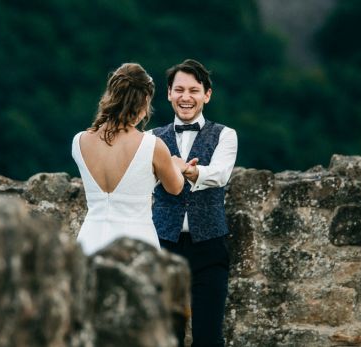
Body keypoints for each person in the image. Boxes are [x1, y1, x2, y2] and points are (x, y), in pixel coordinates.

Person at [151, 59, 238, 347]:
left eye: (193, 90)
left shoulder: (225, 135)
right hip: (164, 244)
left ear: (207, 95)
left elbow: (221, 174)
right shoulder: (152, 138)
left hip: (209, 244)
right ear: (168, 93)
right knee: (166, 337)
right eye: (179, 90)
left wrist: (188, 170)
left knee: (209, 337)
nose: (185, 97)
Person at [72, 62, 186, 255]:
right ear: (144, 101)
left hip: (88, 243)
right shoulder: (152, 145)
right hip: (137, 246)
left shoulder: (79, 141)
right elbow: (175, 187)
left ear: (111, 96)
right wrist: (177, 166)